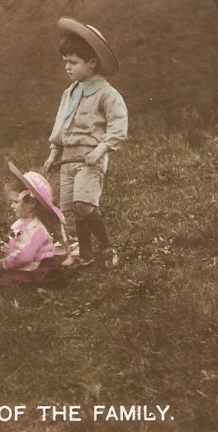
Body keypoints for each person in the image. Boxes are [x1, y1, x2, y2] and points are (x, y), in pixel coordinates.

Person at [41, 17, 128, 268]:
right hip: (69, 157)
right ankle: (86, 255)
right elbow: (61, 125)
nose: (67, 67)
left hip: (91, 156)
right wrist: (53, 152)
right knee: (75, 208)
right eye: (65, 62)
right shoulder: (70, 93)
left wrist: (100, 149)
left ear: (91, 63)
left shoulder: (107, 94)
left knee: (85, 204)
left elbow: (117, 127)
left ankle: (108, 247)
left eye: (73, 62)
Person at [0, 165, 68, 293]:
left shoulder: (37, 228)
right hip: (22, 262)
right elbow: (12, 238)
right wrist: (2, 250)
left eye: (15, 202)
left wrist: (2, 264)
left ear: (32, 203)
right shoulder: (23, 222)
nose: (11, 206)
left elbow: (23, 256)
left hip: (34, 267)